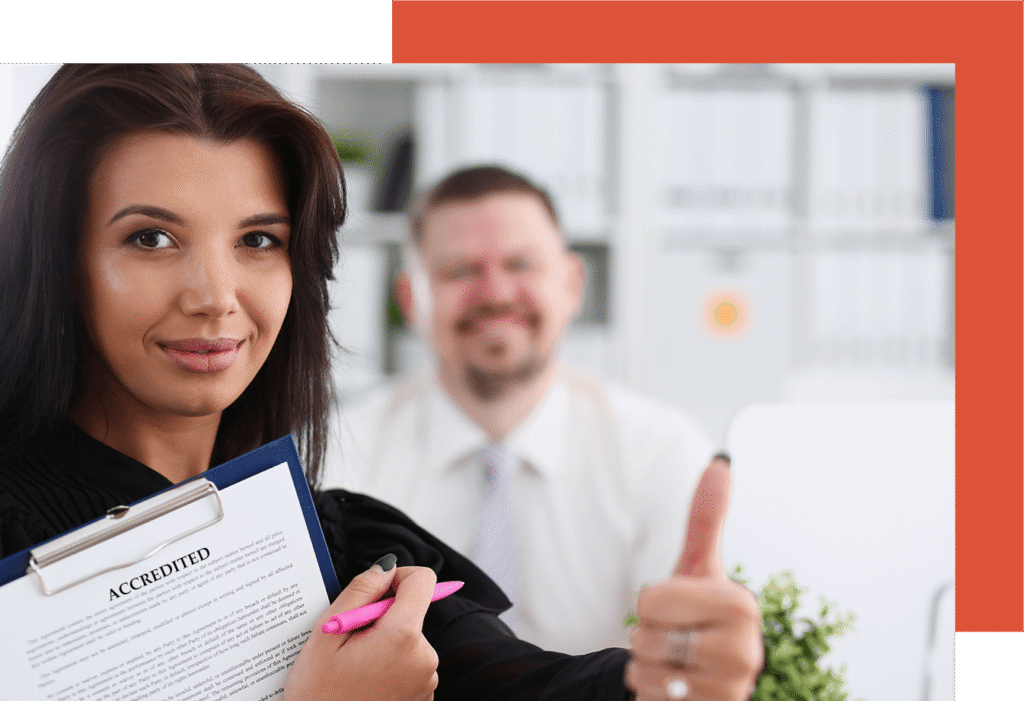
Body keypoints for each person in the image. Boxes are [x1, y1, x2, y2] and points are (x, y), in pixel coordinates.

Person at [0, 64, 762, 701]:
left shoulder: (342, 547)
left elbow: (524, 685)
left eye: (259, 239)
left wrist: (661, 677)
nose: (216, 295)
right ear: (55, 261)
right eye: (151, 238)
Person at [323, 165, 714, 653]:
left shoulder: (661, 451)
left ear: (571, 284)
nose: (496, 293)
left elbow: (678, 657)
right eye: (460, 271)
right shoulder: (342, 453)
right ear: (410, 299)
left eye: (522, 264)